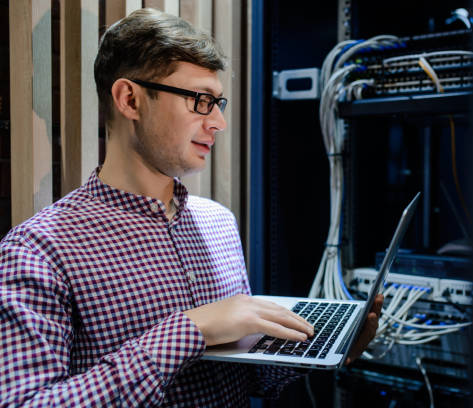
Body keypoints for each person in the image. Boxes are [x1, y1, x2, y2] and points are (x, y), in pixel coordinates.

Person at [0, 8, 383, 407]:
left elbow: (244, 377)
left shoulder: (217, 222)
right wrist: (187, 330)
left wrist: (324, 351)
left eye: (219, 103)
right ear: (129, 99)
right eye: (200, 100)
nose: (218, 122)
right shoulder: (37, 250)